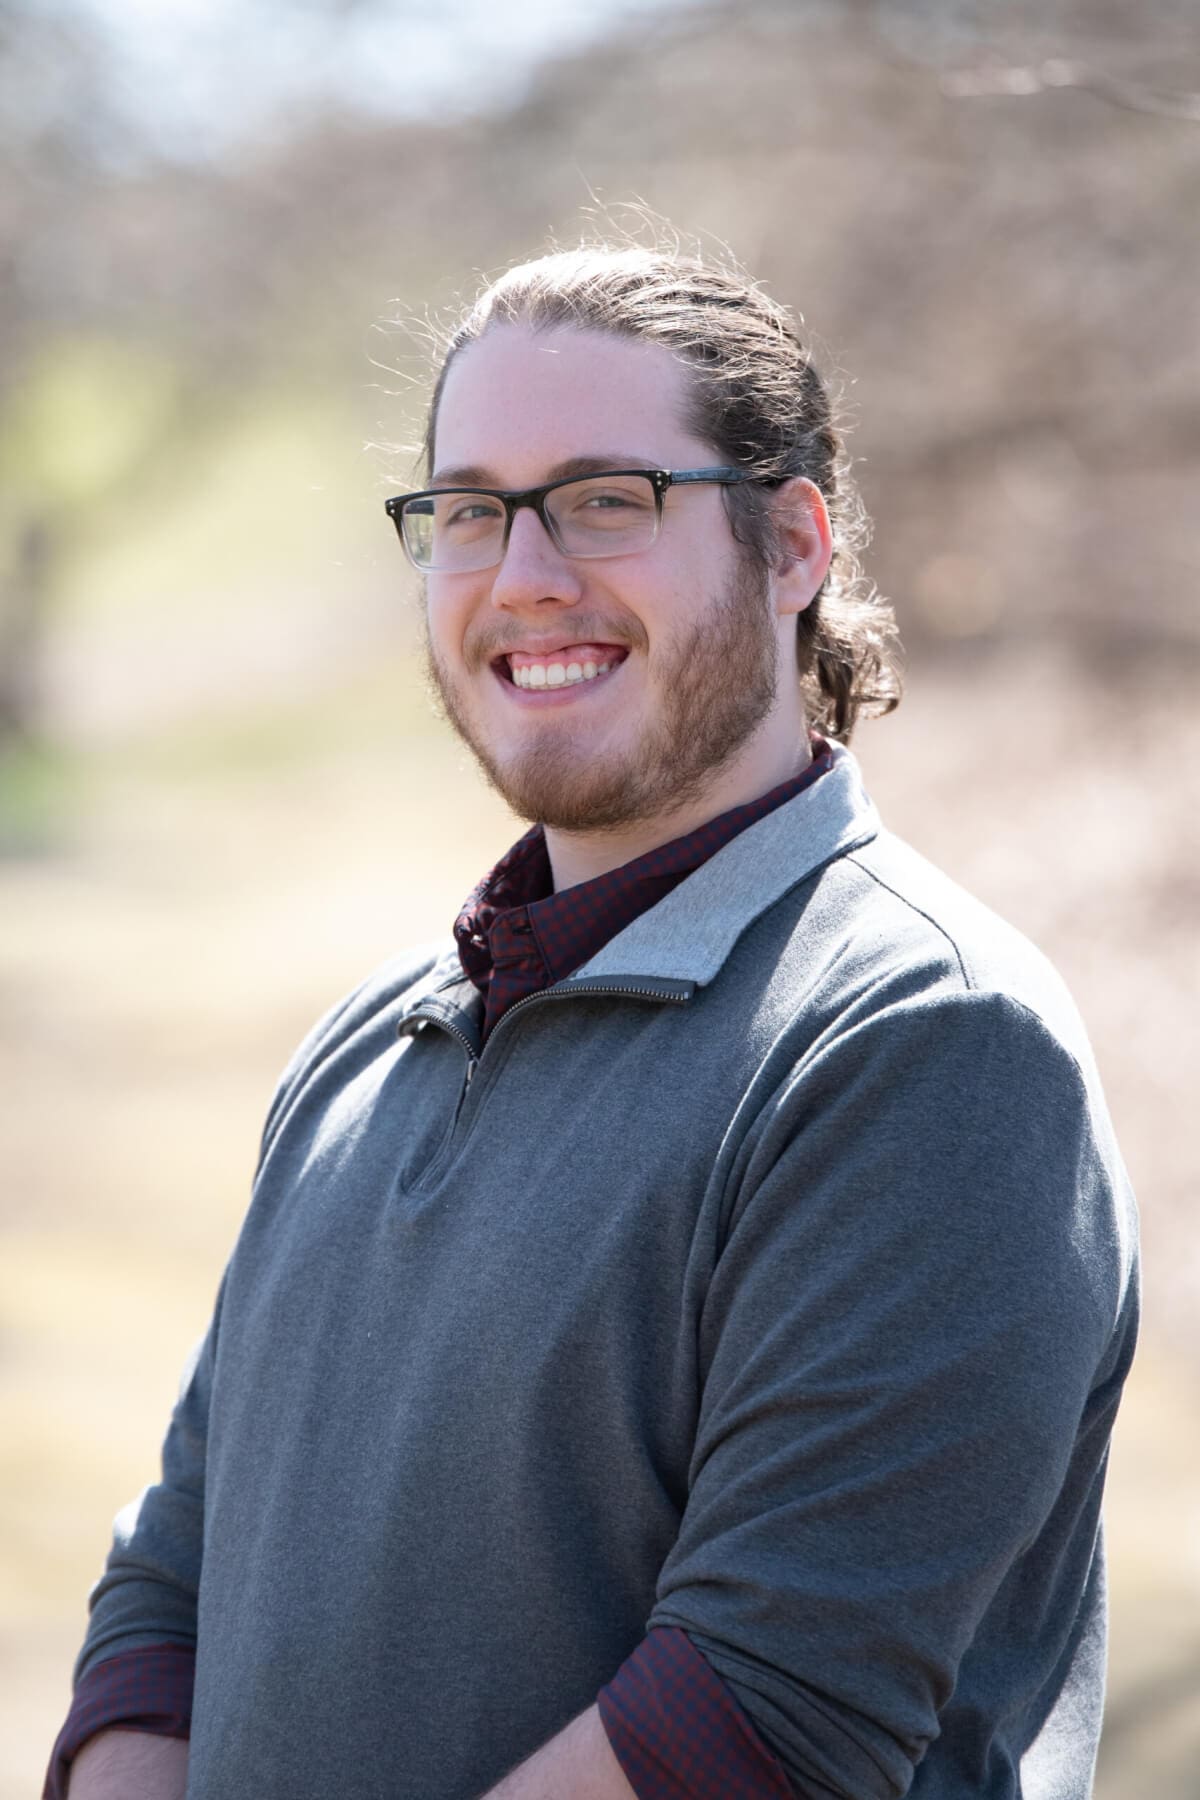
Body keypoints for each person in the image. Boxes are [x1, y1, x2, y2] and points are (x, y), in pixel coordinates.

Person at [47, 239, 1138, 1800]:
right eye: (470, 510)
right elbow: (171, 1590)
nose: (525, 573)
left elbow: (762, 1719)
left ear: (794, 546)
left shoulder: (923, 1044)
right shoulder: (371, 1042)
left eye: (607, 500)